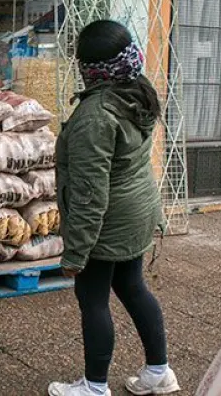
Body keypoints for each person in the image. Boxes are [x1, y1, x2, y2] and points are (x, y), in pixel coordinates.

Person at [49, 20, 179, 396]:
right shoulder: (137, 90)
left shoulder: (96, 116)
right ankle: (159, 371)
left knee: (92, 298)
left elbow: (91, 194)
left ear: (91, 69)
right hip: (138, 209)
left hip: (110, 220)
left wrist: (76, 252)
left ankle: (93, 386)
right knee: (132, 285)